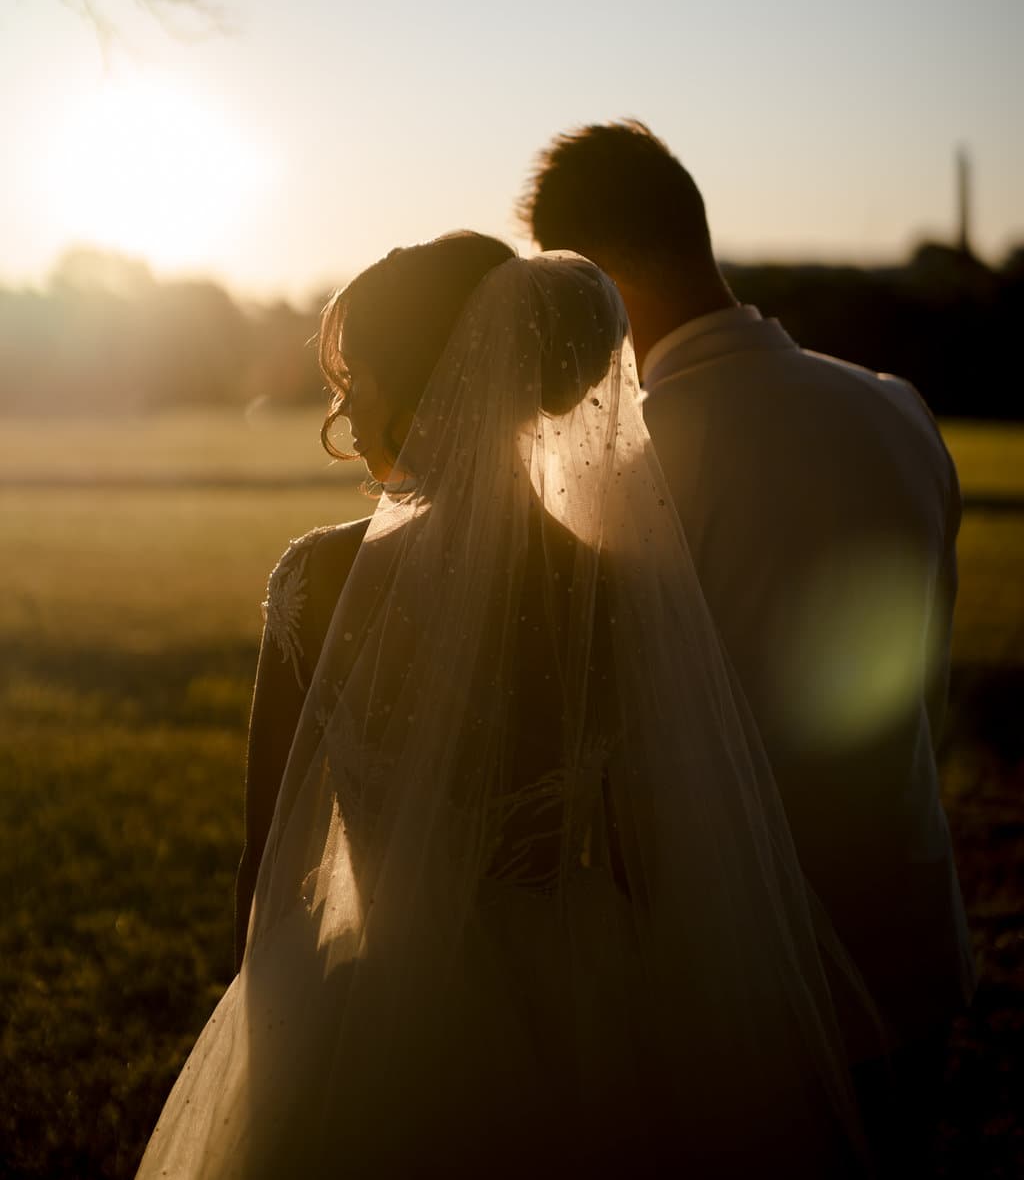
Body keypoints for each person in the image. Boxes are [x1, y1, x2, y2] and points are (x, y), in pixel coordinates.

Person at [137, 233, 871, 1179]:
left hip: (374, 1011)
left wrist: (273, 1050)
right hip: (587, 1007)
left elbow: (265, 857)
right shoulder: (608, 592)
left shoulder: (321, 583)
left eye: (355, 380)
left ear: (420, 385)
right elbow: (651, 851)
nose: (343, 411)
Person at [519, 120, 977, 1173]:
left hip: (729, 981)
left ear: (596, 275)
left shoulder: (624, 463)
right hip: (911, 943)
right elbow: (928, 691)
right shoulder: (897, 409)